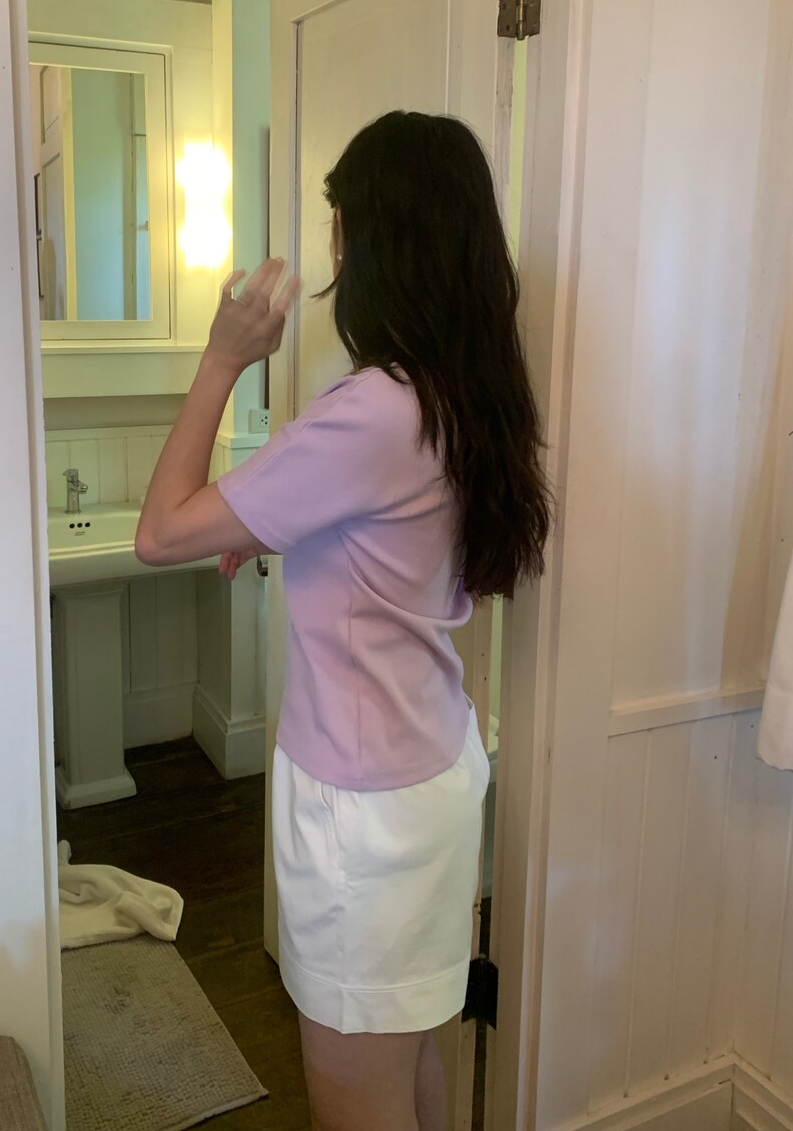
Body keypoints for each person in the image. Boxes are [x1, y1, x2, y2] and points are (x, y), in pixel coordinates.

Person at [136, 110, 551, 1131]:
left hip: (361, 811)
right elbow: (387, 540)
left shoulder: (370, 409)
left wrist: (222, 357)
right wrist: (283, 532)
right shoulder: (464, 394)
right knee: (408, 1055)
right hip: (432, 772)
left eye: (341, 224)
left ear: (379, 242)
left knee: (355, 1096)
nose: (332, 251)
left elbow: (157, 531)